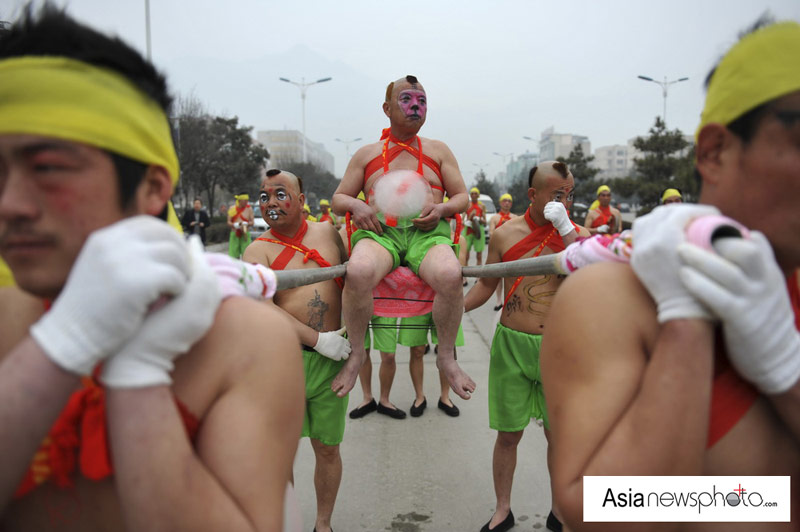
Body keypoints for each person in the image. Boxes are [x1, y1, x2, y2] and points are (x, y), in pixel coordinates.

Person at [0, 7, 303, 531]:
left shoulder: (246, 341)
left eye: (47, 168)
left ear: (153, 188)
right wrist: (62, 345)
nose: (11, 204)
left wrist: (139, 370)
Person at [541, 20, 800, 531]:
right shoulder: (611, 298)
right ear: (715, 152)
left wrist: (787, 374)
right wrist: (686, 318)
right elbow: (604, 509)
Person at [331, 75, 475, 403]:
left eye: (421, 102)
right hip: (381, 236)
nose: (415, 107)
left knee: (451, 274)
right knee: (359, 270)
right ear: (387, 108)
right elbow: (339, 198)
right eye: (407, 100)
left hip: (427, 235)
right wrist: (356, 205)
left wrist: (441, 210)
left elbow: (462, 197)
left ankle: (446, 357)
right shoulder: (367, 154)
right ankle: (355, 354)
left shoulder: (439, 150)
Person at [464, 161, 589, 532]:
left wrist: (566, 229)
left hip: (560, 348)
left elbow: (590, 273)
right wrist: (453, 309)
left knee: (560, 436)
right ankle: (503, 509)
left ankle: (561, 510)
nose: (563, 201)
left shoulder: (580, 234)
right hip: (512, 345)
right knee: (508, 434)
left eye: (569, 195)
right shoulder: (504, 234)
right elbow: (487, 285)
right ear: (533, 195)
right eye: (556, 195)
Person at [243, 169, 350, 532]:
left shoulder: (328, 233)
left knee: (328, 448)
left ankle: (323, 524)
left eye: (280, 193)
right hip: (281, 364)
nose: (270, 202)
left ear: (302, 200)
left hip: (332, 363)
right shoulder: (256, 250)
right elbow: (260, 307)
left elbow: (357, 279)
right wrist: (317, 339)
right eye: (264, 195)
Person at [399, 314, 463, 417]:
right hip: (417, 301)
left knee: (445, 349)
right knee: (417, 350)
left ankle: (445, 397)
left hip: (444, 300)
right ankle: (419, 397)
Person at [488, 193, 516, 310]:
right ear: (500, 203)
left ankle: (508, 300)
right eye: (504, 201)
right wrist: (502, 229)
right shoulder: (494, 218)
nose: (507, 203)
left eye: (509, 201)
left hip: (511, 249)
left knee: (510, 276)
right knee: (498, 277)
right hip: (498, 250)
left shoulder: (515, 218)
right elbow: (490, 233)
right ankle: (499, 300)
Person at [461, 186, 488, 268]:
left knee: (479, 255)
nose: (473, 195)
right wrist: (467, 221)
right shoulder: (467, 205)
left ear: (478, 195)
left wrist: (479, 219)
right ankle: (465, 277)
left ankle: (478, 277)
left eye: (475, 194)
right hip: (468, 230)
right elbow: (462, 220)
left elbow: (485, 222)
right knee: (466, 255)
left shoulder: (481, 206)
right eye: (472, 193)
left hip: (478, 230)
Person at [227, 192, 254, 258]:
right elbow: (228, 222)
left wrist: (246, 224)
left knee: (247, 254)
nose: (247, 202)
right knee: (233, 255)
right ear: (239, 200)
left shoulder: (249, 209)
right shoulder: (232, 208)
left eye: (247, 200)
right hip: (234, 233)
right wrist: (235, 225)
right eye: (245, 200)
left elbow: (252, 222)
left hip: (245, 233)